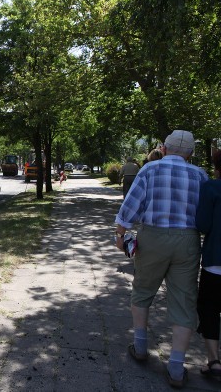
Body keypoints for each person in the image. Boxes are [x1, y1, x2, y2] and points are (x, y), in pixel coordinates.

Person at [114, 130, 208, 388]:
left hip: (152, 237)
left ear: (164, 149)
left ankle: (141, 346)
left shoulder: (150, 170)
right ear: (190, 153)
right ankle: (177, 368)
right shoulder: (200, 175)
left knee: (143, 290)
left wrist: (121, 233)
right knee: (184, 299)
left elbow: (131, 204)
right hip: (188, 241)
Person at [196, 150, 221, 378]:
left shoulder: (212, 188)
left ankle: (214, 360)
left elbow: (203, 224)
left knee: (210, 309)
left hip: (216, 260)